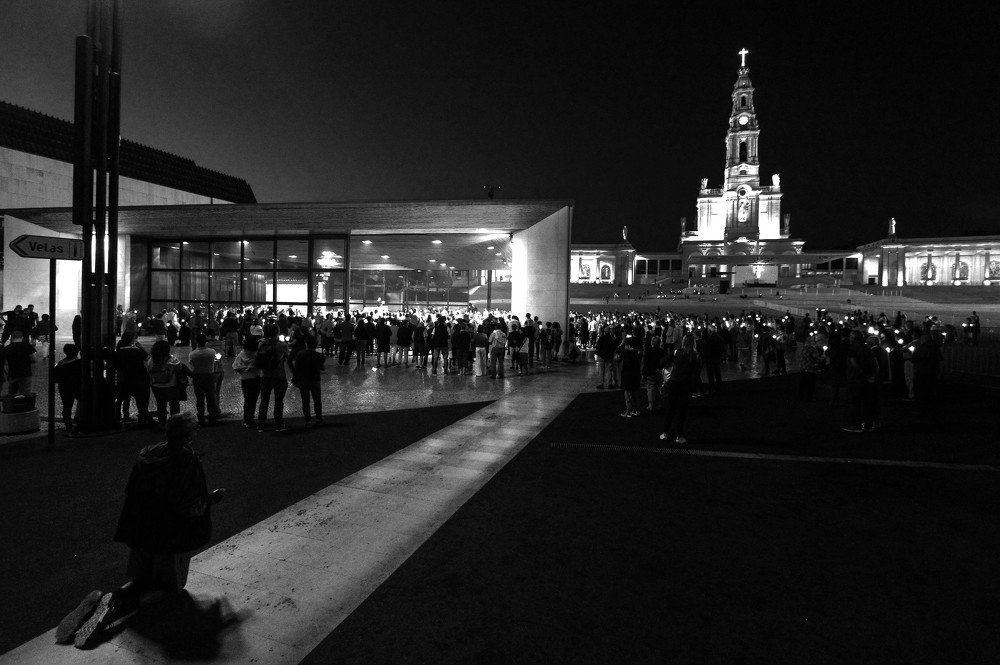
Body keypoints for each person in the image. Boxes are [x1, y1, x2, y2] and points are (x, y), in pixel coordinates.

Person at [59, 413, 226, 649]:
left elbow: (132, 489)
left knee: (142, 578)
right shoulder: (185, 461)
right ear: (188, 435)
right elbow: (188, 505)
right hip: (170, 534)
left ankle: (110, 598)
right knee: (170, 587)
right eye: (195, 428)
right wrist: (211, 499)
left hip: (140, 529)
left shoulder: (149, 453)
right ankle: (120, 606)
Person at [659, 334, 700, 445]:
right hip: (686, 385)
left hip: (674, 382)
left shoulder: (677, 352)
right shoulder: (695, 355)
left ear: (683, 341)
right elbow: (696, 373)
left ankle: (665, 433)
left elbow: (662, 361)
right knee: (682, 411)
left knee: (671, 408)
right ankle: (679, 435)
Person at [147, 340, 189, 427]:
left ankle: (162, 424)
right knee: (174, 406)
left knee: (161, 406)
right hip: (171, 386)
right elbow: (180, 367)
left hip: (156, 386)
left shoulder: (151, 360)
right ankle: (174, 425)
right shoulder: (171, 359)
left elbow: (149, 370)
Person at [256, 325, 289, 432]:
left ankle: (261, 425)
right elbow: (288, 358)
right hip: (279, 375)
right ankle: (279, 424)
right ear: (277, 332)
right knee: (279, 401)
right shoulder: (282, 345)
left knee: (264, 400)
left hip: (265, 375)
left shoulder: (261, 343)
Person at [115, 334, 152, 426]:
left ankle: (120, 417)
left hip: (125, 379)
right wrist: (140, 347)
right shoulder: (137, 351)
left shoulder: (118, 353)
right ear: (132, 341)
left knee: (123, 399)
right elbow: (148, 358)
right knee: (142, 400)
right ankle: (142, 420)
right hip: (139, 378)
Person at [188, 334, 222, 426]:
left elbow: (191, 365)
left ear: (196, 342)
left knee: (200, 399)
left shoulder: (192, 354)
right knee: (211, 398)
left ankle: (201, 419)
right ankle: (212, 418)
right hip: (209, 376)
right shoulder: (211, 352)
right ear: (205, 341)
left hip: (197, 377)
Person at [292, 335, 326, 425]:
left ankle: (308, 420)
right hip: (315, 379)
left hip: (303, 380)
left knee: (305, 401)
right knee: (317, 400)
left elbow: (297, 368)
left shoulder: (300, 354)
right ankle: (319, 418)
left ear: (306, 344)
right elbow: (322, 367)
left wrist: (295, 380)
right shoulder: (319, 356)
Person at [53, 344, 82, 436]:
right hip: (77, 387)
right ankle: (79, 421)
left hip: (64, 388)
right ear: (76, 352)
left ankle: (68, 425)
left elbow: (55, 378)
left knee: (67, 407)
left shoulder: (60, 364)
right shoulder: (79, 363)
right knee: (82, 403)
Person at [232, 337, 261, 428]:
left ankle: (246, 419)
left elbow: (235, 366)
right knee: (253, 400)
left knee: (247, 399)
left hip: (245, 379)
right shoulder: (257, 354)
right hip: (256, 378)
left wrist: (242, 372)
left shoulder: (242, 354)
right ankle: (250, 419)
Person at [5, 330, 37, 394]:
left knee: (12, 392)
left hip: (12, 373)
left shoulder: (7, 348)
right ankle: (25, 403)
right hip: (26, 373)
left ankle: (13, 403)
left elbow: (5, 363)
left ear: (11, 337)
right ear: (22, 337)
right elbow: (34, 359)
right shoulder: (28, 346)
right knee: (26, 392)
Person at [618, 334, 642, 417]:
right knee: (635, 393)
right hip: (635, 375)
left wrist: (622, 343)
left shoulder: (627, 353)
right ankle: (636, 410)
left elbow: (618, 351)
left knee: (628, 394)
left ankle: (628, 411)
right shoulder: (636, 353)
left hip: (628, 375)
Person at [641, 336, 666, 411]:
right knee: (660, 388)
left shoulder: (648, 351)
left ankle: (651, 405)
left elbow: (645, 363)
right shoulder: (663, 352)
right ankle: (660, 404)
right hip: (660, 372)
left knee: (651, 388)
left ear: (652, 342)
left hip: (650, 372)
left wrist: (643, 374)